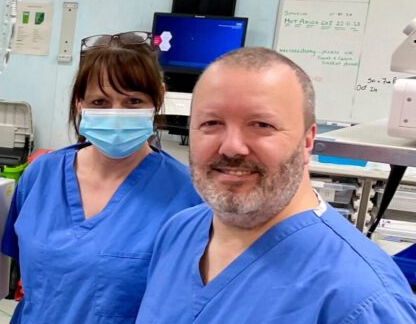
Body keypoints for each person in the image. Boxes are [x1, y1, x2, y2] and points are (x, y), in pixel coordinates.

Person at [136, 47, 416, 323]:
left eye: (261, 124)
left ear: (307, 141)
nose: (232, 147)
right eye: (211, 123)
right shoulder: (179, 232)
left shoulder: (359, 298)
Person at [0, 31, 203, 323]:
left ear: (157, 98)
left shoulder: (186, 195)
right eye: (99, 102)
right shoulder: (41, 176)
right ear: (79, 104)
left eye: (133, 101)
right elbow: (28, 270)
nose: (116, 113)